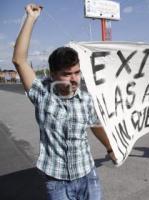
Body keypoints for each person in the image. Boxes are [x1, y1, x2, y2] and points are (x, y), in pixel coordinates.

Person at [12, 4, 116, 199]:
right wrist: (31, 18)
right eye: (67, 74)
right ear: (52, 75)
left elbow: (95, 125)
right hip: (56, 181)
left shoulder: (85, 99)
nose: (74, 79)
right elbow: (19, 60)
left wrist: (110, 148)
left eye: (77, 72)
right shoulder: (41, 92)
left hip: (87, 176)